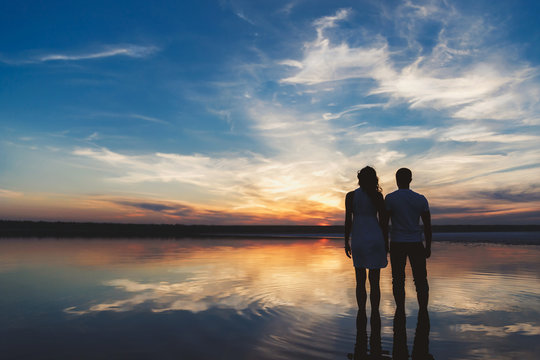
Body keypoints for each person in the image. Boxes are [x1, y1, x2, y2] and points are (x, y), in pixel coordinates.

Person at [385, 168, 432, 313]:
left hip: (397, 243)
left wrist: (385, 244)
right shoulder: (420, 198)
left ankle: (400, 309)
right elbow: (427, 225)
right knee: (420, 279)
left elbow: (384, 224)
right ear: (410, 180)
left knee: (398, 279)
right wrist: (428, 246)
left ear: (396, 179)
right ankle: (423, 310)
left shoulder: (390, 198)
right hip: (416, 243)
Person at [344, 166, 389, 319]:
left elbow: (347, 221)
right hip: (375, 238)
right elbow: (383, 222)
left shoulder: (350, 196)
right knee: (375, 282)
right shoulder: (377, 196)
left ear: (359, 179)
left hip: (358, 239)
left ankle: (361, 312)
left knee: (360, 280)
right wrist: (385, 242)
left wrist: (346, 241)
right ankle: (375, 312)